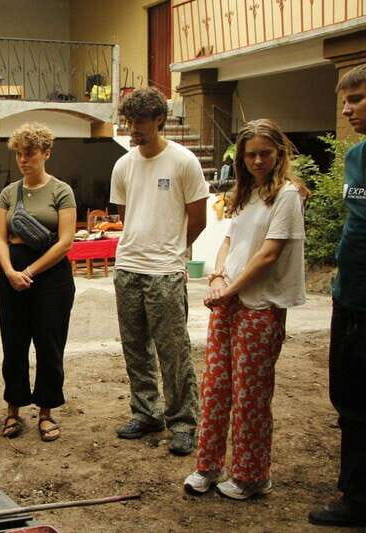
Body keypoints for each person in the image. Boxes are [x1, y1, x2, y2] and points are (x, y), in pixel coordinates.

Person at [182, 119, 308, 500]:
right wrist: (218, 276)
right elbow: (229, 242)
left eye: (265, 153)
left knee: (250, 394)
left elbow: (269, 255)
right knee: (216, 387)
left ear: (279, 153)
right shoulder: (246, 192)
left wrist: (229, 290)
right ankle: (207, 466)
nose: (257, 161)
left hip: (260, 306)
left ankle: (252, 476)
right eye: (250, 154)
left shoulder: (287, 195)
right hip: (229, 300)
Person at [110, 87, 208, 455]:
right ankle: (146, 412)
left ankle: (183, 422)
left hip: (165, 271)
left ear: (159, 119)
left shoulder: (183, 161)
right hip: (128, 268)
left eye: (140, 121)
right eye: (130, 121)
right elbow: (126, 216)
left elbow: (197, 219)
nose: (134, 128)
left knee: (173, 351)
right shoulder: (124, 165)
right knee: (135, 348)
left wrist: (173, 251)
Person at [309, 64, 366, 528]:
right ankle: (357, 492)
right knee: (349, 400)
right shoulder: (356, 156)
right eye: (344, 101)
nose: (347, 110)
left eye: (358, 99)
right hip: (349, 299)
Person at [0, 122, 76, 442]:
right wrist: (9, 271)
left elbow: (65, 242)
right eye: (19, 153)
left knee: (49, 344)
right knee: (13, 343)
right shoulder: (8, 192)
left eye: (29, 153)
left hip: (51, 274)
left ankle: (46, 411)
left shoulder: (61, 191)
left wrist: (29, 271)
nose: (23, 159)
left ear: (46, 153)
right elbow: (0, 239)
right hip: (12, 272)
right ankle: (13, 409)